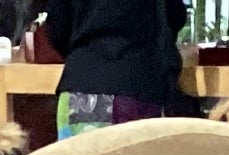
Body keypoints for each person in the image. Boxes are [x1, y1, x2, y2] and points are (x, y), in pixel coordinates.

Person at [42, 0, 187, 135]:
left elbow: (57, 22)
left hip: (81, 86)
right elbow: (173, 15)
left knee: (79, 154)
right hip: (136, 83)